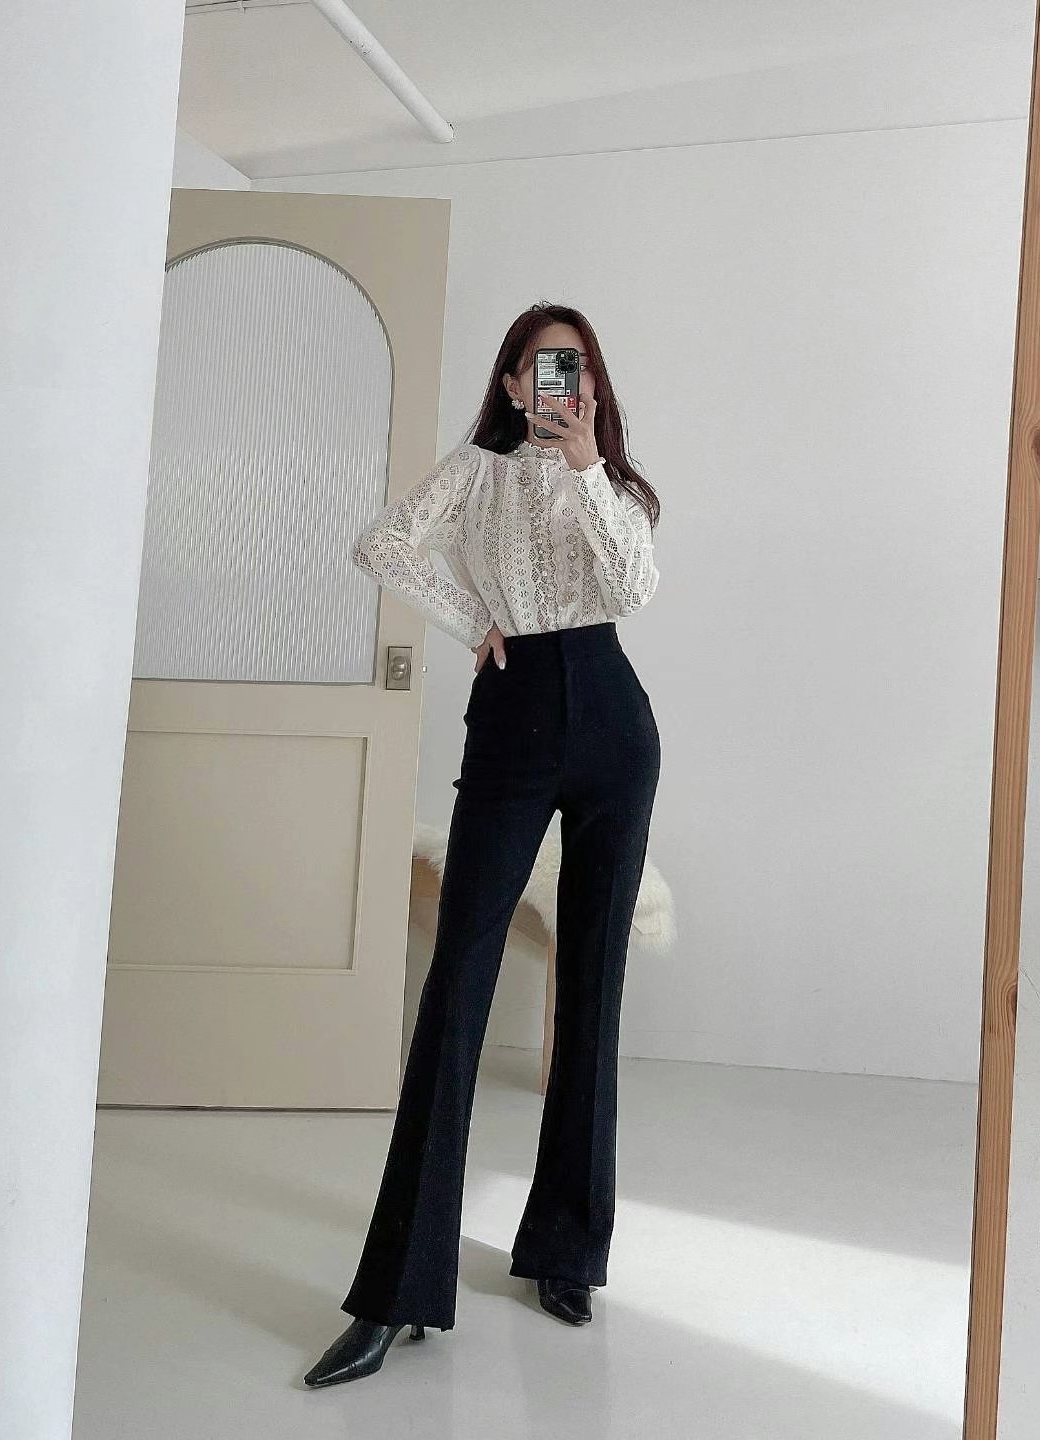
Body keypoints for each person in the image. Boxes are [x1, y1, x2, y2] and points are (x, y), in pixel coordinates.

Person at [304, 302, 662, 1388]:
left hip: (613, 727)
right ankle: (397, 1295)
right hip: (513, 724)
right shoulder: (476, 472)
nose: (561, 383)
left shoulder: (613, 484)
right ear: (511, 384)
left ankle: (566, 1252)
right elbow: (381, 543)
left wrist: (588, 467)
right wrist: (476, 621)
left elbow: (633, 590)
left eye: (576, 367)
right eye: (542, 368)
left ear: (592, 384)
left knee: (591, 987)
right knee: (457, 985)